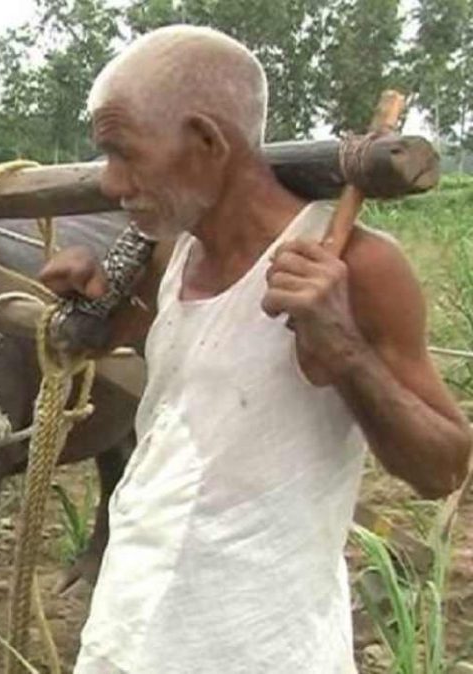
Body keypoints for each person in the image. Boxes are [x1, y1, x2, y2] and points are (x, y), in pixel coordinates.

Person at [39, 25, 471, 673]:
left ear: (208, 142)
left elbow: (443, 469)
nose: (108, 182)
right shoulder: (172, 252)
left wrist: (345, 352)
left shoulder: (360, 266)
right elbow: (162, 361)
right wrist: (92, 303)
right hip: (132, 623)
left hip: (258, 644)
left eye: (123, 153)